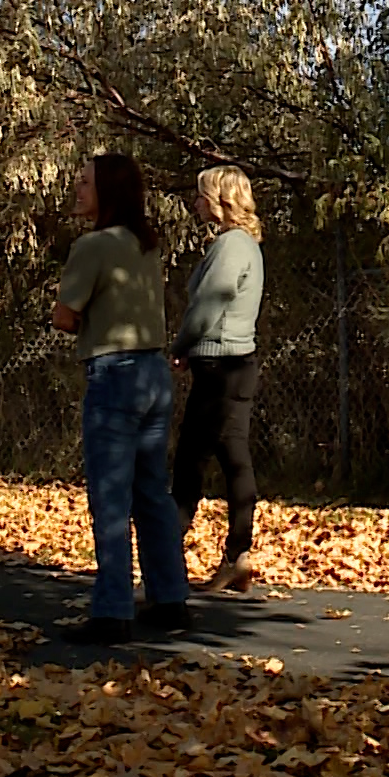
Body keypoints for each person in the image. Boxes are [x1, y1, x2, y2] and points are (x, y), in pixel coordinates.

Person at [52, 153, 192, 645]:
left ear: (107, 192)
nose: (77, 187)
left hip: (113, 373)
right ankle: (170, 596)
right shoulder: (144, 244)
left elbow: (65, 315)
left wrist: (74, 314)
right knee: (151, 490)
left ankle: (113, 608)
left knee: (110, 495)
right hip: (154, 371)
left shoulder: (92, 247)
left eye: (85, 182)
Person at [170, 165, 266, 594]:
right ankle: (238, 556)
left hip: (219, 366)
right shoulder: (246, 246)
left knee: (190, 461)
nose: (196, 203)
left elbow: (212, 301)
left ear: (220, 200)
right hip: (239, 363)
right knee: (234, 457)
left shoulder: (230, 246)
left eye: (201, 194)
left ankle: (165, 554)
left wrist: (182, 345)